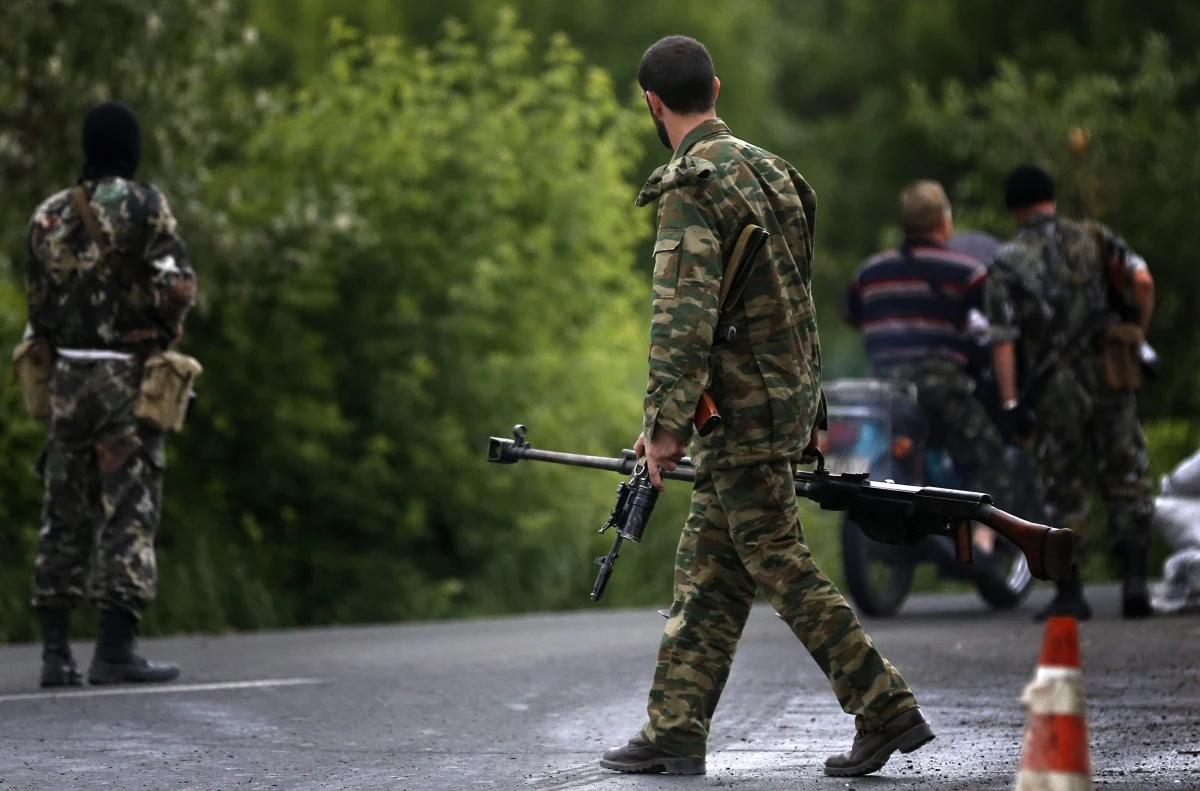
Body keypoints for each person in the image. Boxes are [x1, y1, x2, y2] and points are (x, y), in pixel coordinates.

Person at [600, 36, 932, 779]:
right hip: (777, 403)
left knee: (780, 563)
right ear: (714, 87)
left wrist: (661, 429)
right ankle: (675, 729)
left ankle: (883, 704)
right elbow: (796, 305)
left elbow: (681, 322)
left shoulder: (691, 185)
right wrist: (809, 405)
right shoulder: (777, 174)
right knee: (708, 572)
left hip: (738, 415)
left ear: (652, 103)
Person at [23, 102, 196, 686]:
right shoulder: (145, 206)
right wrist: (164, 332)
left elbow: (37, 305)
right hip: (128, 376)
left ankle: (54, 655)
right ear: (130, 146)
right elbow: (180, 286)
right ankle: (114, 651)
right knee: (128, 507)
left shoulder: (48, 214)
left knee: (63, 508)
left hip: (68, 378)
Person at [986, 164, 1156, 620]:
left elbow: (1002, 337)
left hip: (1055, 383)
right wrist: (1134, 337)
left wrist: (1010, 402)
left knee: (1063, 485)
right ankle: (1136, 582)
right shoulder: (1095, 236)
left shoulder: (1007, 260)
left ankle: (1071, 592)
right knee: (1127, 471)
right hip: (1109, 371)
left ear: (1013, 208)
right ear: (1051, 197)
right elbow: (1141, 282)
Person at [843, 182, 1030, 521]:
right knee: (991, 459)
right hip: (941, 386)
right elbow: (997, 332)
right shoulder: (966, 272)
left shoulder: (869, 272)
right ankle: (984, 541)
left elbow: (854, 318)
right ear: (945, 222)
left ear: (904, 224)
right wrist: (1010, 403)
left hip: (886, 390)